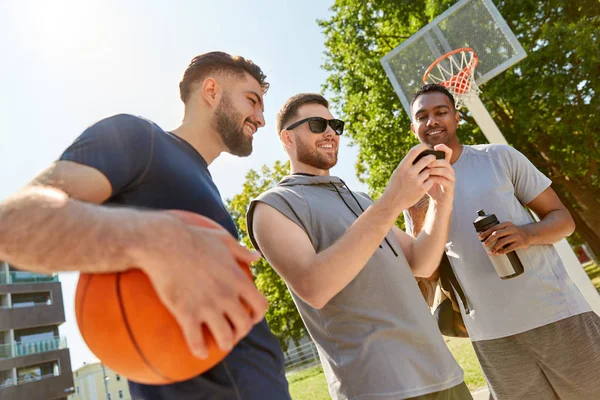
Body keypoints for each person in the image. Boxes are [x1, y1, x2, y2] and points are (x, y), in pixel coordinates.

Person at [0, 52, 291, 400]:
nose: (260, 118)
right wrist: (157, 238)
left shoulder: (204, 181)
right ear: (211, 91)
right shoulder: (138, 138)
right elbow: (14, 222)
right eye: (252, 100)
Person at [247, 93, 472, 400]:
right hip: (379, 389)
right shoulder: (272, 205)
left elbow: (422, 262)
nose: (330, 132)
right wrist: (392, 201)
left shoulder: (362, 201)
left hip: (443, 374)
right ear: (286, 137)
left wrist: (440, 202)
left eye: (334, 125)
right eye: (316, 124)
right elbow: (314, 288)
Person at [405, 83, 600, 400]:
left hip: (555, 313)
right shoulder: (413, 193)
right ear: (414, 128)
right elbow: (425, 271)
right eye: (422, 116)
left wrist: (526, 234)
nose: (432, 121)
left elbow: (562, 219)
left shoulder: (498, 158)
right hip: (492, 336)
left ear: (456, 118)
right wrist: (417, 209)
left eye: (441, 112)